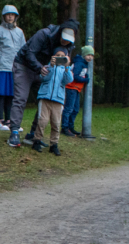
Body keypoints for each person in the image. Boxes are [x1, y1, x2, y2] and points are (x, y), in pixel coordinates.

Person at [7, 18, 79, 148]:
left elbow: (63, 66)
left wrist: (66, 66)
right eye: (64, 37)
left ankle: (34, 134)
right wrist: (40, 68)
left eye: (68, 39)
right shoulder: (44, 34)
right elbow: (30, 53)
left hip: (45, 70)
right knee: (21, 98)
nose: (65, 41)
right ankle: (14, 131)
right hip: (24, 65)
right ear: (60, 32)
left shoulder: (69, 45)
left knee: (44, 98)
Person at [0, 5, 24, 130]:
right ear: (4, 16)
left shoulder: (19, 32)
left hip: (14, 68)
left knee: (11, 95)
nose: (10, 17)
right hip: (1, 67)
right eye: (8, 14)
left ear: (15, 16)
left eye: (12, 15)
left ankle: (9, 121)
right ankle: (0, 121)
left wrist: (22, 68)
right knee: (1, 94)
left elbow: (23, 50)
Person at [32, 47, 74, 155]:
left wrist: (67, 67)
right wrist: (51, 66)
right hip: (45, 97)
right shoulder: (47, 67)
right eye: (57, 56)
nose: (59, 58)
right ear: (53, 56)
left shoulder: (65, 70)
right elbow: (44, 78)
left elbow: (68, 80)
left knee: (56, 123)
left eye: (62, 57)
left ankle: (54, 144)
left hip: (58, 100)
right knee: (42, 121)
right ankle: (37, 140)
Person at [62, 45, 93, 136]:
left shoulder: (84, 63)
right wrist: (85, 80)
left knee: (75, 109)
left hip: (76, 89)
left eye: (92, 55)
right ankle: (65, 127)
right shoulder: (79, 63)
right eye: (88, 55)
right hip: (71, 87)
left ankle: (70, 127)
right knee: (69, 108)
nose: (90, 57)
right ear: (84, 55)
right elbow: (75, 76)